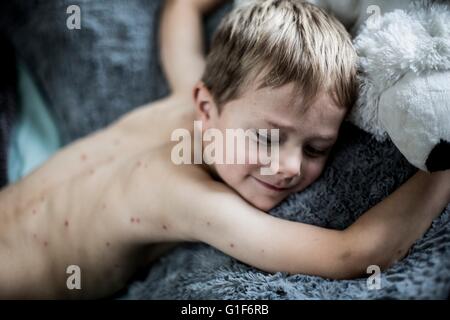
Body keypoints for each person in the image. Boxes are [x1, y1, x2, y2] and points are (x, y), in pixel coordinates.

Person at [0, 0, 448, 299]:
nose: (289, 166)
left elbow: (183, 10)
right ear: (206, 107)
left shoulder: (195, 94)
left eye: (316, 148)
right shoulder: (184, 197)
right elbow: (352, 254)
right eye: (268, 138)